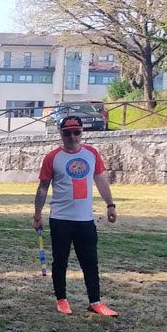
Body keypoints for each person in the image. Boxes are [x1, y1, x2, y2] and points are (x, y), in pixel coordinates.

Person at [33, 115, 119, 317]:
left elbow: (100, 180)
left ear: (82, 132)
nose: (72, 136)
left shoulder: (91, 154)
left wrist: (110, 205)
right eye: (67, 133)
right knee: (60, 261)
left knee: (90, 262)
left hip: (85, 220)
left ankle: (95, 302)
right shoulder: (52, 157)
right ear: (61, 134)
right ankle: (62, 300)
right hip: (60, 219)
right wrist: (37, 214)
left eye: (76, 132)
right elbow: (43, 187)